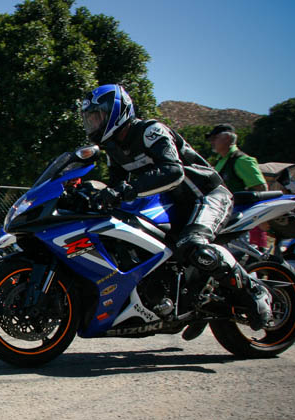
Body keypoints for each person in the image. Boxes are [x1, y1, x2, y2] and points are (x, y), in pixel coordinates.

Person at [80, 84, 272, 333]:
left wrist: (125, 190)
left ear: (116, 111)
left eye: (98, 116)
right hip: (170, 204)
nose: (94, 123)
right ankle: (185, 304)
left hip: (206, 195)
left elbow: (173, 170)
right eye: (90, 119)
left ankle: (254, 290)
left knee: (192, 245)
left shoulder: (150, 131)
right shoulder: (113, 149)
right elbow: (117, 185)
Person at [206, 124, 267, 193]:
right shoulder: (219, 160)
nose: (211, 142)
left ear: (227, 138)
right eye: (210, 139)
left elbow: (261, 189)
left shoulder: (242, 160)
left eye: (214, 138)